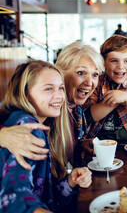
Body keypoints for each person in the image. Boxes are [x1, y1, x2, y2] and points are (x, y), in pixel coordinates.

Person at [0, 61, 92, 212]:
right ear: (24, 93)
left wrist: (70, 182)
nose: (59, 96)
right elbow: (13, 197)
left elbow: (43, 194)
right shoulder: (27, 128)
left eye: (60, 88)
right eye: (48, 89)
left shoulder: (38, 124)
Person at [0, 41, 104, 169]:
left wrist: (79, 144)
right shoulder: (48, 108)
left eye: (95, 75)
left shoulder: (76, 109)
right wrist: (2, 135)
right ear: (60, 73)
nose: (89, 82)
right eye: (80, 73)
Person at [85, 35, 127, 140]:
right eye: (114, 61)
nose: (120, 66)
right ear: (104, 63)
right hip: (100, 143)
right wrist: (117, 100)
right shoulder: (97, 82)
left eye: (126, 61)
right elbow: (88, 116)